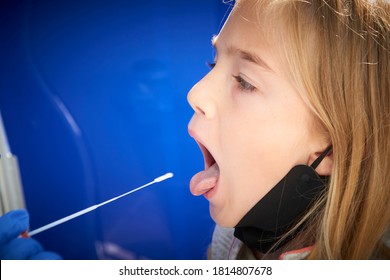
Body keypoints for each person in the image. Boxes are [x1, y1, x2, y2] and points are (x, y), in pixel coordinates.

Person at [187, 0, 390, 259]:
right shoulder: (226, 242)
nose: (196, 93)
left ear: (332, 148)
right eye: (214, 65)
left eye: (245, 81)